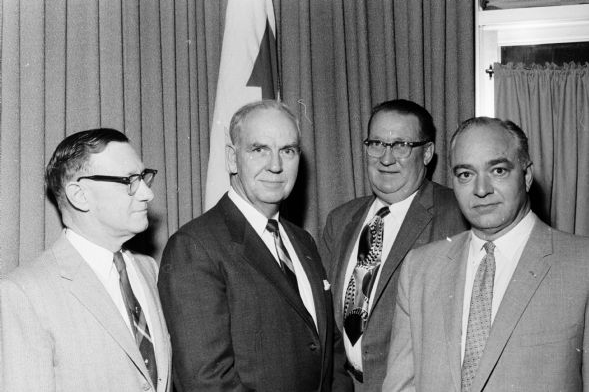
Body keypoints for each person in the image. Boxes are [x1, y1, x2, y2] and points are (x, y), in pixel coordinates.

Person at [382, 117, 589, 392]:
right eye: (466, 174)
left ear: (527, 175)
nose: (481, 190)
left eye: (497, 171)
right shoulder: (420, 267)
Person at [158, 100, 351, 392]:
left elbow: (329, 351)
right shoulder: (195, 247)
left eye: (287, 151)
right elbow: (206, 380)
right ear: (233, 159)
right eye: (259, 149)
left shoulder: (302, 241)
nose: (275, 165)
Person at [0, 128, 172, 392]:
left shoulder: (148, 269)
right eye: (129, 180)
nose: (147, 194)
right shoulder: (24, 293)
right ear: (79, 195)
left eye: (144, 177)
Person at [321, 99, 468, 391]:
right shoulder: (341, 220)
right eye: (376, 143)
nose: (386, 159)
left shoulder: (458, 215)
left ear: (427, 153)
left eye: (401, 145)